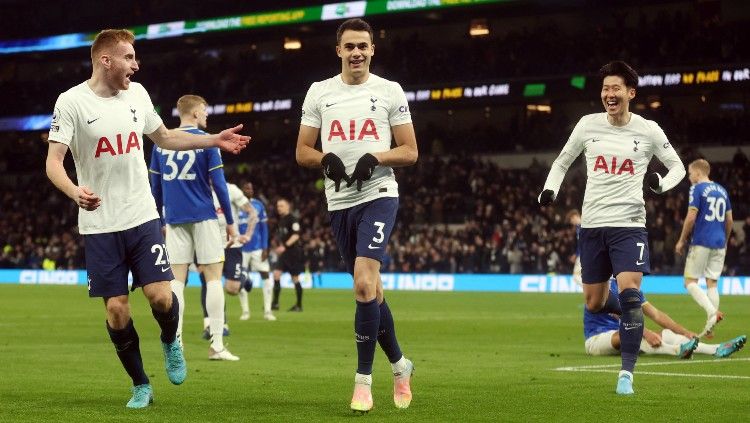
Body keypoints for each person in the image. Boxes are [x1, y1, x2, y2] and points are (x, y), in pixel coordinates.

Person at [45, 29, 248, 408]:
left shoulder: (138, 95)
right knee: (117, 308)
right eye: (128, 58)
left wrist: (212, 139)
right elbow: (53, 162)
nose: (136, 65)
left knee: (161, 297)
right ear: (106, 61)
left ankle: (171, 341)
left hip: (142, 216)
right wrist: (74, 191)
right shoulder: (71, 102)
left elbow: (166, 138)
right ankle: (141, 384)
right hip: (100, 224)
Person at [538, 60, 686, 395]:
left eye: (615, 88)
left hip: (629, 225)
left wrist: (660, 184)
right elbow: (562, 161)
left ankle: (626, 375)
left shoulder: (648, 130)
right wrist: (550, 189)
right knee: (594, 302)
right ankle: (634, 316)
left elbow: (678, 167)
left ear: (631, 93)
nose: (609, 94)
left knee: (631, 295)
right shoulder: (588, 125)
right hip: (592, 226)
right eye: (605, 89)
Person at [295, 18, 417, 413]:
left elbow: (410, 150)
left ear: (372, 50)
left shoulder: (388, 91)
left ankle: (363, 382)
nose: (357, 53)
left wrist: (375, 157)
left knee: (363, 283)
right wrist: (325, 159)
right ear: (338, 51)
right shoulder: (319, 92)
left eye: (363, 46)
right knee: (372, 291)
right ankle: (400, 366)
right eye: (349, 47)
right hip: (339, 202)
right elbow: (302, 151)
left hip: (379, 193)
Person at [149, 94, 242, 362]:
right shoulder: (207, 142)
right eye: (204, 111)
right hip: (204, 216)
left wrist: (158, 219)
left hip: (174, 218)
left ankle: (177, 342)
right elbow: (220, 185)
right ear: (195, 113)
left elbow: (154, 187)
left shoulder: (160, 144)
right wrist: (232, 224)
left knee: (177, 280)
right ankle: (216, 344)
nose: (207, 116)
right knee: (213, 277)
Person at [585, 280, 746, 359]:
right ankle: (676, 351)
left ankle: (716, 349)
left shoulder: (629, 287)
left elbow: (656, 314)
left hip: (625, 334)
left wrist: (686, 332)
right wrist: (645, 332)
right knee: (633, 334)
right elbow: (618, 313)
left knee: (666, 334)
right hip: (597, 339)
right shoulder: (602, 285)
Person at [675, 159, 733, 337]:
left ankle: (712, 313)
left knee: (689, 282)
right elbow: (729, 219)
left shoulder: (697, 189)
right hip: (719, 242)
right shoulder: (722, 190)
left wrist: (681, 239)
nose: (690, 176)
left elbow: (691, 216)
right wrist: (725, 239)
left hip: (702, 240)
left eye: (690, 173)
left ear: (698, 173)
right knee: (712, 283)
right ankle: (710, 328)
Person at [239, 181, 276, 321]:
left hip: (257, 248)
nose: (250, 190)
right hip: (240, 248)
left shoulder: (259, 205)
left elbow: (264, 228)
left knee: (266, 275)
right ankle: (245, 312)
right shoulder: (235, 205)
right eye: (247, 188)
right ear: (241, 190)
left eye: (251, 188)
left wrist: (265, 247)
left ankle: (268, 311)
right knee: (240, 278)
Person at [271, 198, 304, 312]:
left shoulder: (292, 219)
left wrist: (284, 246)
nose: (278, 208)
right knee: (276, 274)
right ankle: (275, 303)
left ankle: (299, 305)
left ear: (288, 207)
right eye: (278, 206)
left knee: (295, 278)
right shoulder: (281, 220)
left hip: (293, 252)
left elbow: (296, 236)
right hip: (284, 253)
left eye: (281, 206)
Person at [566, 209, 582, 286]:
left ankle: (593, 291)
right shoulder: (578, 228)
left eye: (571, 220)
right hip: (582, 255)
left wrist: (576, 255)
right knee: (577, 277)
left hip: (585, 255)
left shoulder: (585, 225)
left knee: (576, 277)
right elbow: (580, 243)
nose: (571, 223)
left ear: (574, 217)